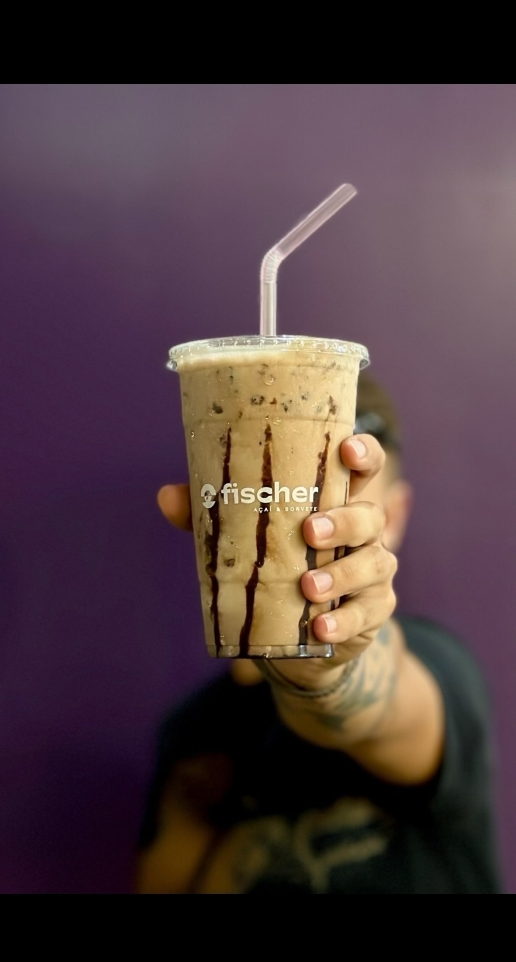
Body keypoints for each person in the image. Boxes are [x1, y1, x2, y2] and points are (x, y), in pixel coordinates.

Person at [137, 377, 503, 894]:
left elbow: (375, 702)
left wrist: (318, 666)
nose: (305, 520)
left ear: (392, 517)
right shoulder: (194, 730)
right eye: (286, 493)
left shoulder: (437, 667)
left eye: (337, 505)